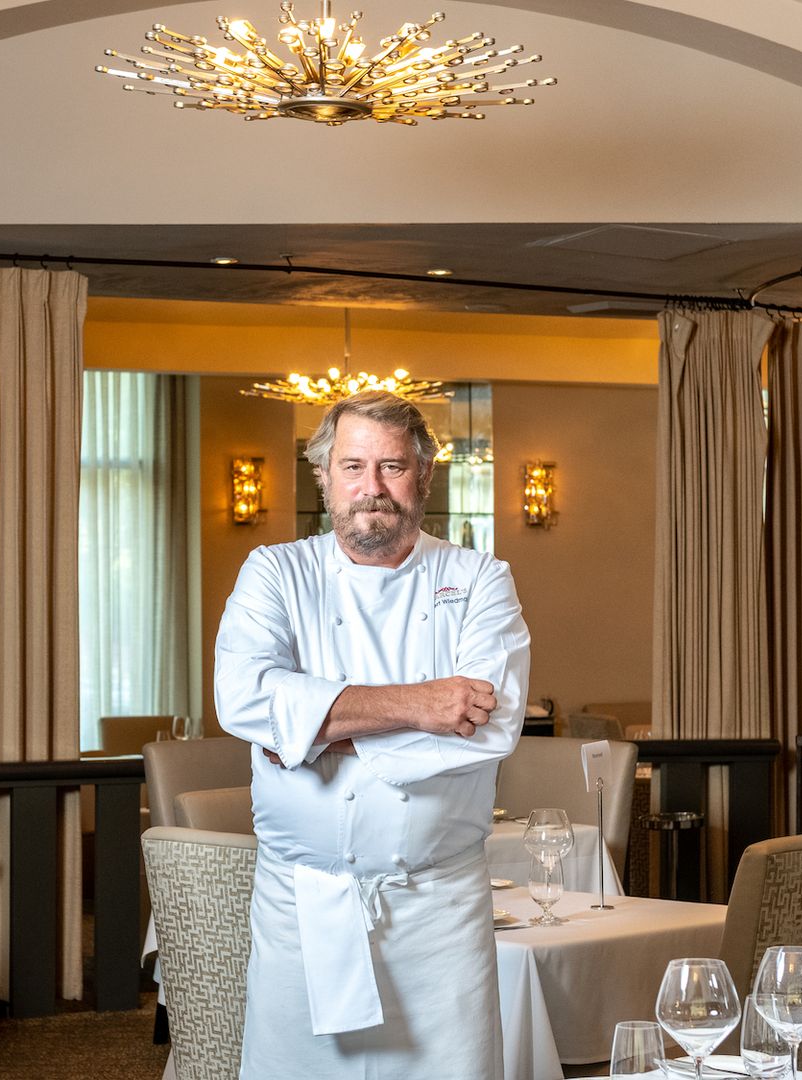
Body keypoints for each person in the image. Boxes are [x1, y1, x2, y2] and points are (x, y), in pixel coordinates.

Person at [214, 390, 531, 1078]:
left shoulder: (479, 579)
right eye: (352, 466)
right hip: (301, 909)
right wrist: (424, 705)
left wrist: (312, 728)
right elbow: (243, 700)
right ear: (323, 478)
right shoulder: (276, 572)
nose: (372, 488)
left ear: (424, 476)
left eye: (392, 467)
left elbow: (492, 727)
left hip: (438, 914)